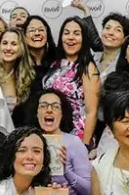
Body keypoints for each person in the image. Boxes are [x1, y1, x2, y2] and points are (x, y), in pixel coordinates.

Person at [33, 89, 94, 195]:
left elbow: (89, 191)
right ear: (37, 112)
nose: (49, 110)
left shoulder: (73, 143)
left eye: (55, 106)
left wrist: (67, 171)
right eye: (43, 106)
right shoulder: (30, 143)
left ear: (62, 113)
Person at [43, 17, 100, 145]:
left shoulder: (88, 68)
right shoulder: (55, 64)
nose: (71, 37)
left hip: (76, 137)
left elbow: (92, 112)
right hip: (52, 135)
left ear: (84, 39)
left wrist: (84, 146)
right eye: (66, 33)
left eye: (76, 33)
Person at [93, 12, 129, 83]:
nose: (110, 33)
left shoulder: (127, 63)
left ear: (124, 39)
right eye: (107, 28)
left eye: (118, 30)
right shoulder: (92, 58)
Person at [22, 15, 57, 86]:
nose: (37, 33)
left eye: (41, 30)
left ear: (47, 34)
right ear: (24, 36)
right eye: (32, 30)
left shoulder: (58, 58)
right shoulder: (19, 61)